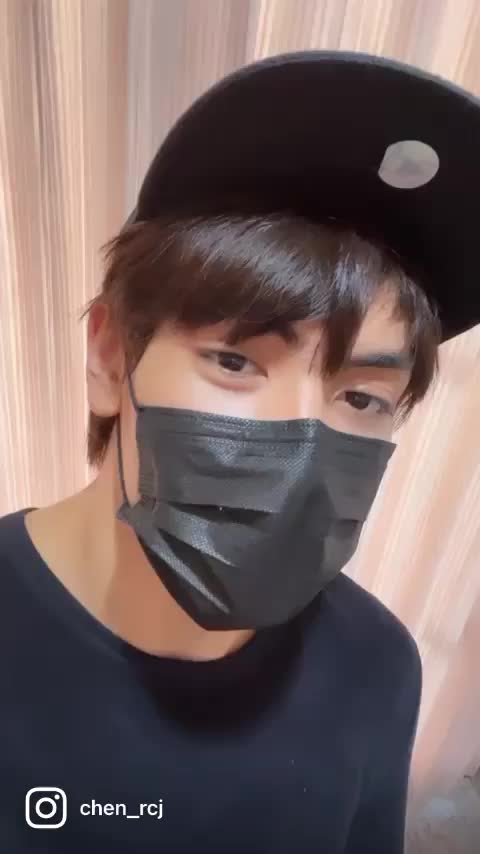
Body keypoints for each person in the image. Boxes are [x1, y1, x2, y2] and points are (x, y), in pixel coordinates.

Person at [1, 51, 479, 854]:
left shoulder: (377, 667)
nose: (300, 446)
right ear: (112, 357)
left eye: (362, 397)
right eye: (235, 361)